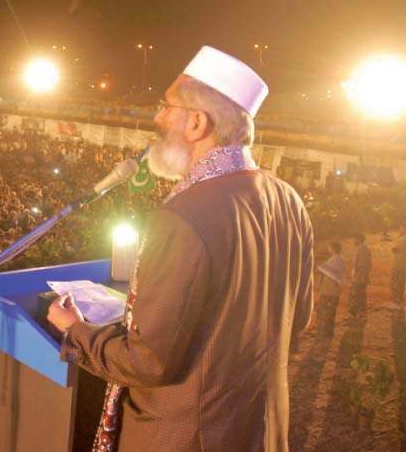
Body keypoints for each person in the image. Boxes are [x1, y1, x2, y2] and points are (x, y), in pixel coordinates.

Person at [48, 46, 314, 452]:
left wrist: (76, 330)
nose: (156, 118)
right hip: (258, 431)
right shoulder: (288, 199)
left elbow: (148, 362)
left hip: (186, 436)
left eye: (164, 106)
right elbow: (298, 319)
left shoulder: (185, 216)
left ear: (195, 122)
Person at [315, 241, 345, 337]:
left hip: (328, 290)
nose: (328, 249)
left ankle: (322, 332)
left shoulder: (333, 260)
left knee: (322, 311)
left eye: (329, 247)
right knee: (331, 312)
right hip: (335, 290)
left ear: (333, 249)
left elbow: (320, 270)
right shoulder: (341, 259)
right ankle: (329, 332)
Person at [349, 233, 371, 316]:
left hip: (359, 277)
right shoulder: (362, 248)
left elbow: (365, 264)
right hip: (360, 276)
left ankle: (359, 313)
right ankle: (359, 313)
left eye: (354, 239)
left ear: (358, 239)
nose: (353, 241)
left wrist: (360, 274)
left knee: (357, 295)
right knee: (359, 295)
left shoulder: (361, 249)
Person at [390, 226, 406, 309]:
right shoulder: (400, 238)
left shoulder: (402, 239)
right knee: (398, 283)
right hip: (399, 265)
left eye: (402, 228)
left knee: (397, 283)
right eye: (399, 228)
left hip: (400, 265)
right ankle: (398, 302)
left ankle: (397, 303)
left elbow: (396, 249)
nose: (400, 229)